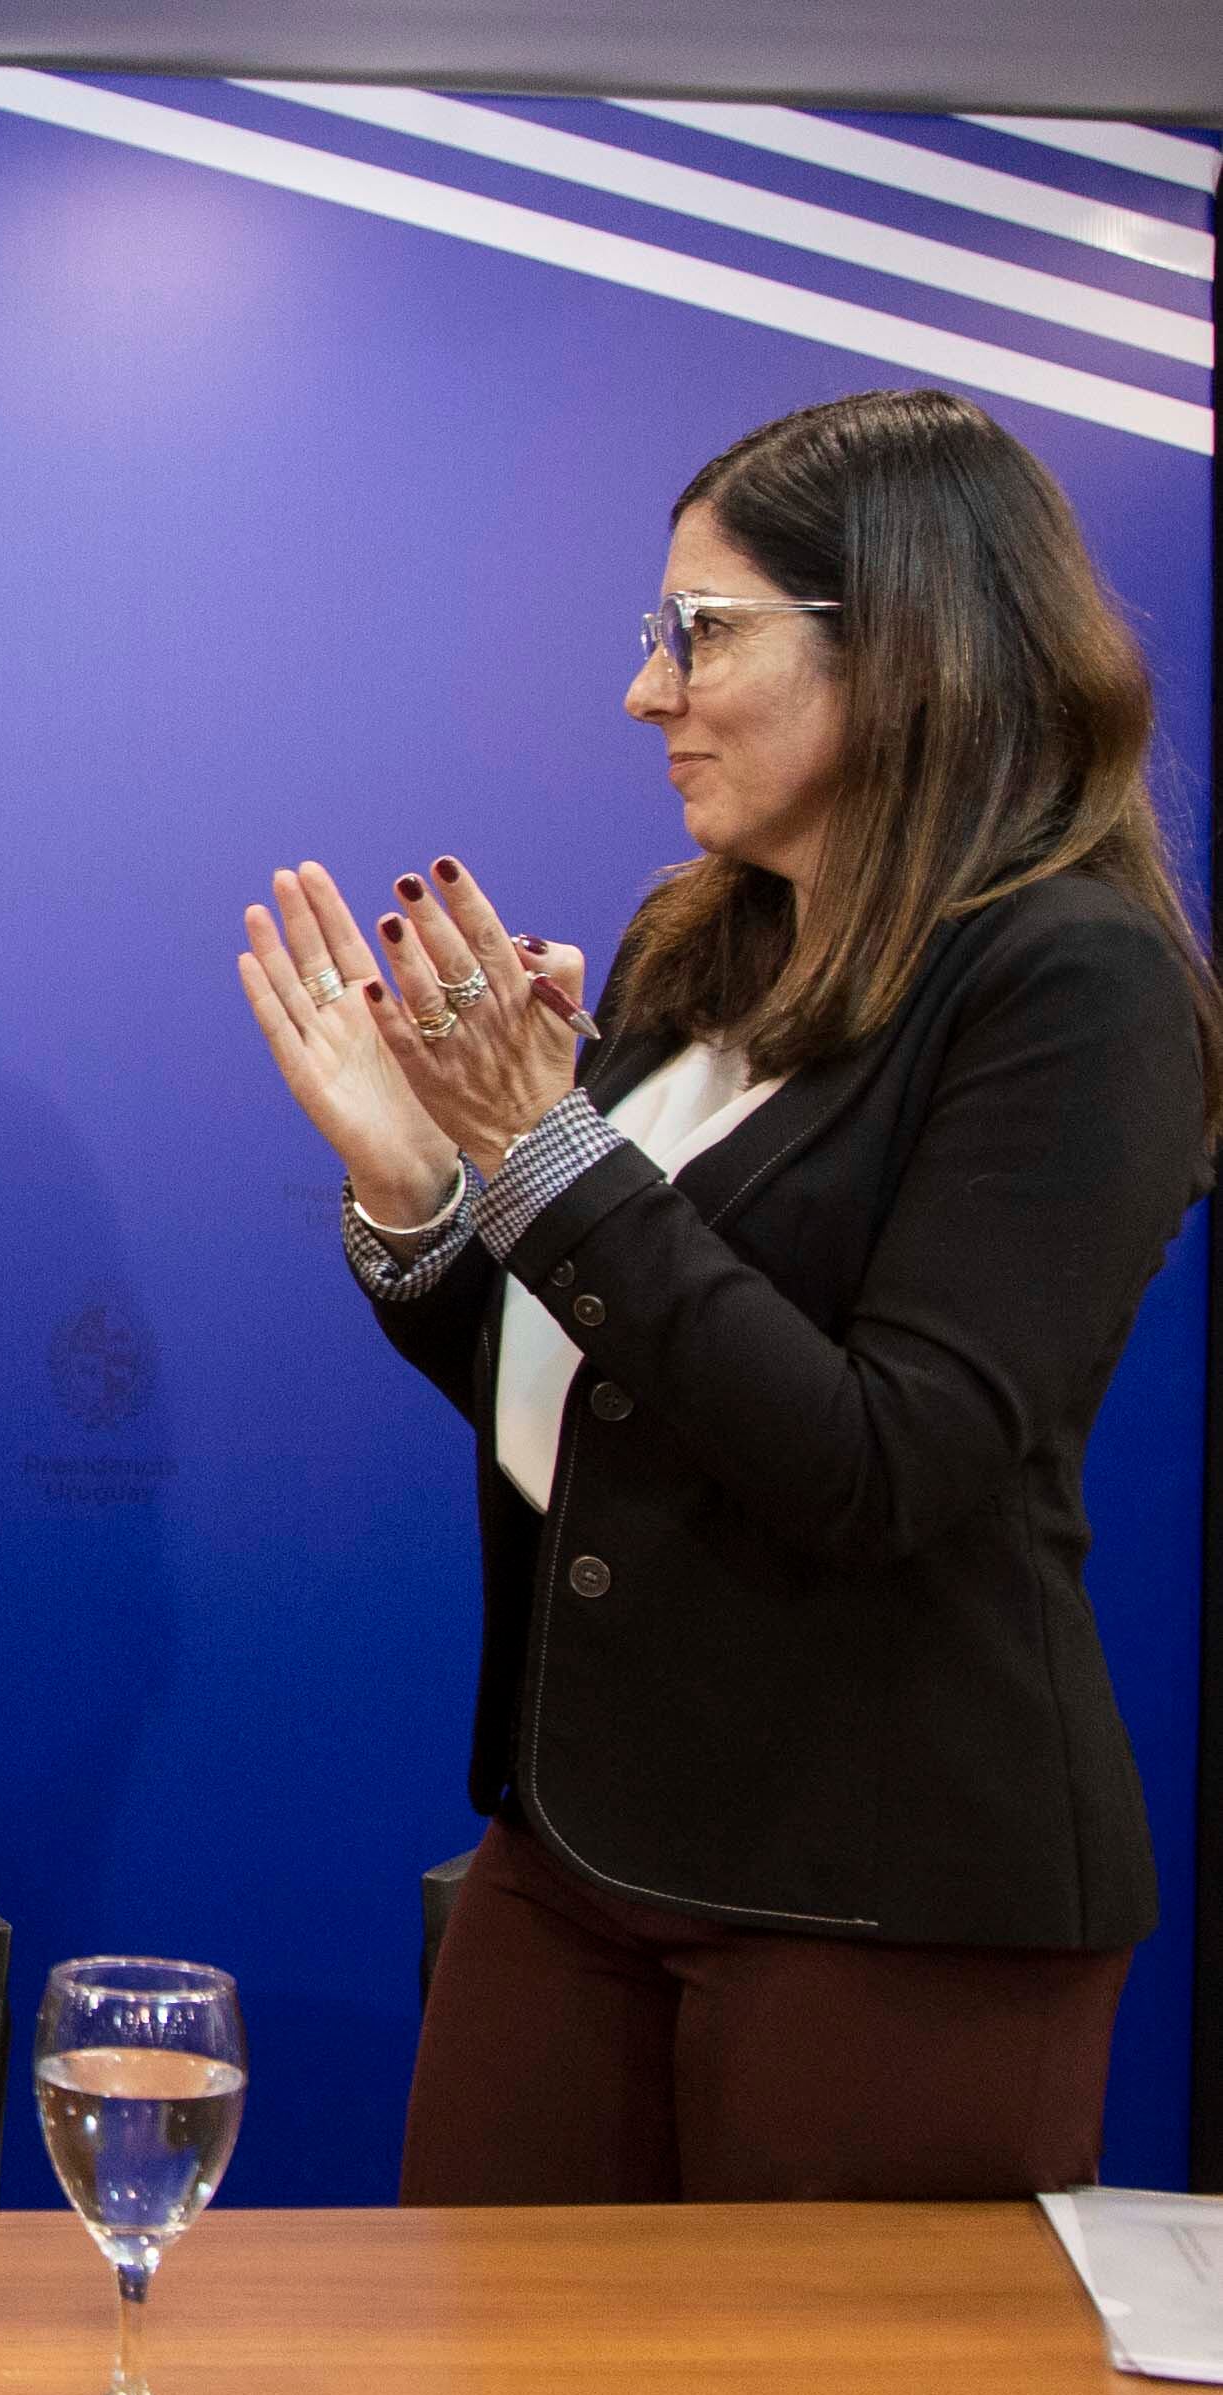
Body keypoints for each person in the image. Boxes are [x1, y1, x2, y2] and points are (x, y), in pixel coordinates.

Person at [234, 387, 1220, 2204]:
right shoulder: (709, 944)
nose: (647, 691)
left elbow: (880, 1460)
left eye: (703, 634)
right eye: (653, 636)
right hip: (579, 1851)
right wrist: (418, 1181)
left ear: (909, 644)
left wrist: (547, 1154)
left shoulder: (1079, 988)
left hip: (889, 1895)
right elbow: (603, 1398)